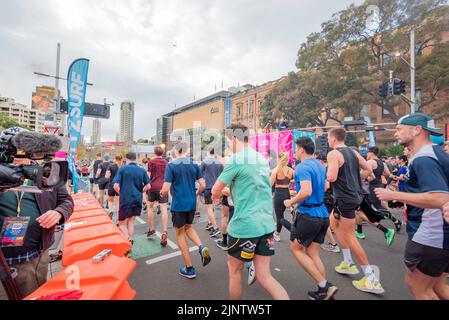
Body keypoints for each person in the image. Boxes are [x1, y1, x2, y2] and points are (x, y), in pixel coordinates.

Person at [375, 113, 449, 300]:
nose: (396, 133)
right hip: (438, 234)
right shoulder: (436, 152)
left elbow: (439, 197)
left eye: (399, 129)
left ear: (417, 130)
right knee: (438, 286)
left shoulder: (424, 158)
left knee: (418, 286)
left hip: (431, 235)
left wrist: (393, 194)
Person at [212, 123, 289, 300]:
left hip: (244, 226)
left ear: (233, 139)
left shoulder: (236, 159)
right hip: (266, 224)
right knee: (265, 276)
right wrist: (233, 189)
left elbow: (215, 190)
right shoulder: (260, 158)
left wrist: (221, 193)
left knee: (235, 272)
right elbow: (260, 184)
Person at [0, 161, 74, 297]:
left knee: (35, 295)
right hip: (3, 261)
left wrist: (58, 213)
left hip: (35, 258)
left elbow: (66, 201)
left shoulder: (47, 170)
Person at [326, 127, 384, 294]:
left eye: (329, 139)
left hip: (345, 198)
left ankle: (371, 278)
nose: (329, 142)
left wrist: (324, 177)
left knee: (350, 236)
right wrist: (353, 177)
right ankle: (347, 262)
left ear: (333, 139)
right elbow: (369, 171)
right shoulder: (353, 152)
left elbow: (332, 177)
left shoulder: (333, 154)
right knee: (333, 224)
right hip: (350, 196)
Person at [284, 137, 338, 300]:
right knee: (313, 253)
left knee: (295, 248)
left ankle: (324, 285)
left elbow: (306, 191)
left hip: (309, 215)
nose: (294, 152)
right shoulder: (319, 165)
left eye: (295, 149)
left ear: (301, 150)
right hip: (322, 214)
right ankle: (323, 291)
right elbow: (326, 185)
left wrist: (290, 201)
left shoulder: (302, 167)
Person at [160, 141, 211, 279]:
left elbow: (165, 189)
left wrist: (161, 194)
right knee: (188, 227)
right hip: (191, 203)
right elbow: (202, 185)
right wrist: (195, 194)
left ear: (176, 151)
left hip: (179, 205)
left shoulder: (171, 166)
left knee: (180, 233)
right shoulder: (194, 164)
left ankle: (189, 268)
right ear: (187, 150)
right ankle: (201, 247)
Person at [113, 152, 151, 256]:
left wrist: (122, 192)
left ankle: (128, 240)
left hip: (126, 199)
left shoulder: (122, 169)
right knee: (131, 222)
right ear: (135, 158)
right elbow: (148, 186)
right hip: (137, 199)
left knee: (121, 223)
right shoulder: (142, 170)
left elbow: (116, 186)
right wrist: (140, 191)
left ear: (126, 159)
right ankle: (129, 245)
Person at [146, 146, 169, 247]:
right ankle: (164, 231)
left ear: (154, 152)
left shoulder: (151, 162)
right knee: (164, 209)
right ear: (162, 152)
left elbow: (148, 176)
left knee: (150, 207)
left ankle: (151, 229)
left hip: (152, 187)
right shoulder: (165, 162)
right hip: (162, 187)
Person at [270, 152, 294, 242]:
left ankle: (289, 230)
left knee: (279, 216)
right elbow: (297, 179)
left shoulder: (276, 170)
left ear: (279, 159)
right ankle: (277, 233)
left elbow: (270, 184)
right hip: (287, 193)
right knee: (281, 215)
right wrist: (290, 181)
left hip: (279, 194)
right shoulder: (291, 170)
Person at [200, 148, 224, 238]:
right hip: (217, 187)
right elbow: (223, 174)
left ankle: (215, 227)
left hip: (208, 187)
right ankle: (210, 223)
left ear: (207, 152)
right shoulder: (219, 162)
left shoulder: (205, 162)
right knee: (212, 206)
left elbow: (199, 174)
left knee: (209, 207)